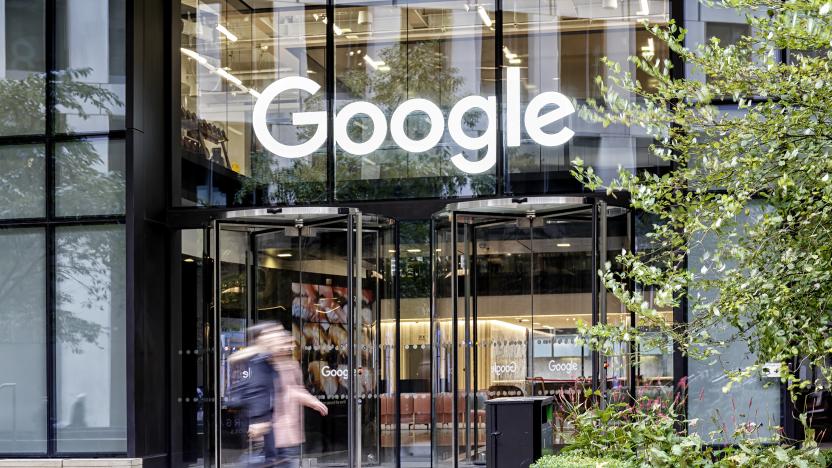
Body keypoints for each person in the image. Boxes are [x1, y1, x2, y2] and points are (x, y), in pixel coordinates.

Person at [268, 328, 328, 468]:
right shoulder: (267, 366)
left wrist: (311, 400)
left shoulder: (292, 365)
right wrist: (311, 401)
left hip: (288, 431)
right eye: (288, 343)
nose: (293, 346)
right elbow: (288, 390)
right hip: (273, 431)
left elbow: (296, 389)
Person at [228, 323, 281, 466]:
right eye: (274, 333)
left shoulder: (266, 359)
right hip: (259, 427)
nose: (279, 337)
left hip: (265, 427)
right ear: (262, 338)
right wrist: (259, 420)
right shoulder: (257, 360)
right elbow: (256, 389)